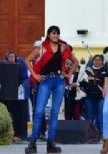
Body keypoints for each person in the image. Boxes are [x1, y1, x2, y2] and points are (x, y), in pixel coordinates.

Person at [24, 26, 78, 154]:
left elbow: (75, 61)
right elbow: (27, 60)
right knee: (39, 111)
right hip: (45, 80)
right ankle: (33, 143)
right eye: (53, 33)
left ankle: (51, 143)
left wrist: (69, 74)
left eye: (57, 33)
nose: (56, 35)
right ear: (48, 35)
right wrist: (35, 75)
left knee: (54, 112)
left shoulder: (63, 47)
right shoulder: (42, 48)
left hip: (59, 81)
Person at [83, 54, 108, 133]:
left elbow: (107, 83)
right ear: (92, 61)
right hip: (89, 96)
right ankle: (90, 133)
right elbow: (82, 82)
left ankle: (101, 132)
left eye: (99, 60)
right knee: (89, 115)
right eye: (95, 60)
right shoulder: (87, 71)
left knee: (101, 115)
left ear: (102, 61)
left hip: (100, 97)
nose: (97, 61)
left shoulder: (105, 71)